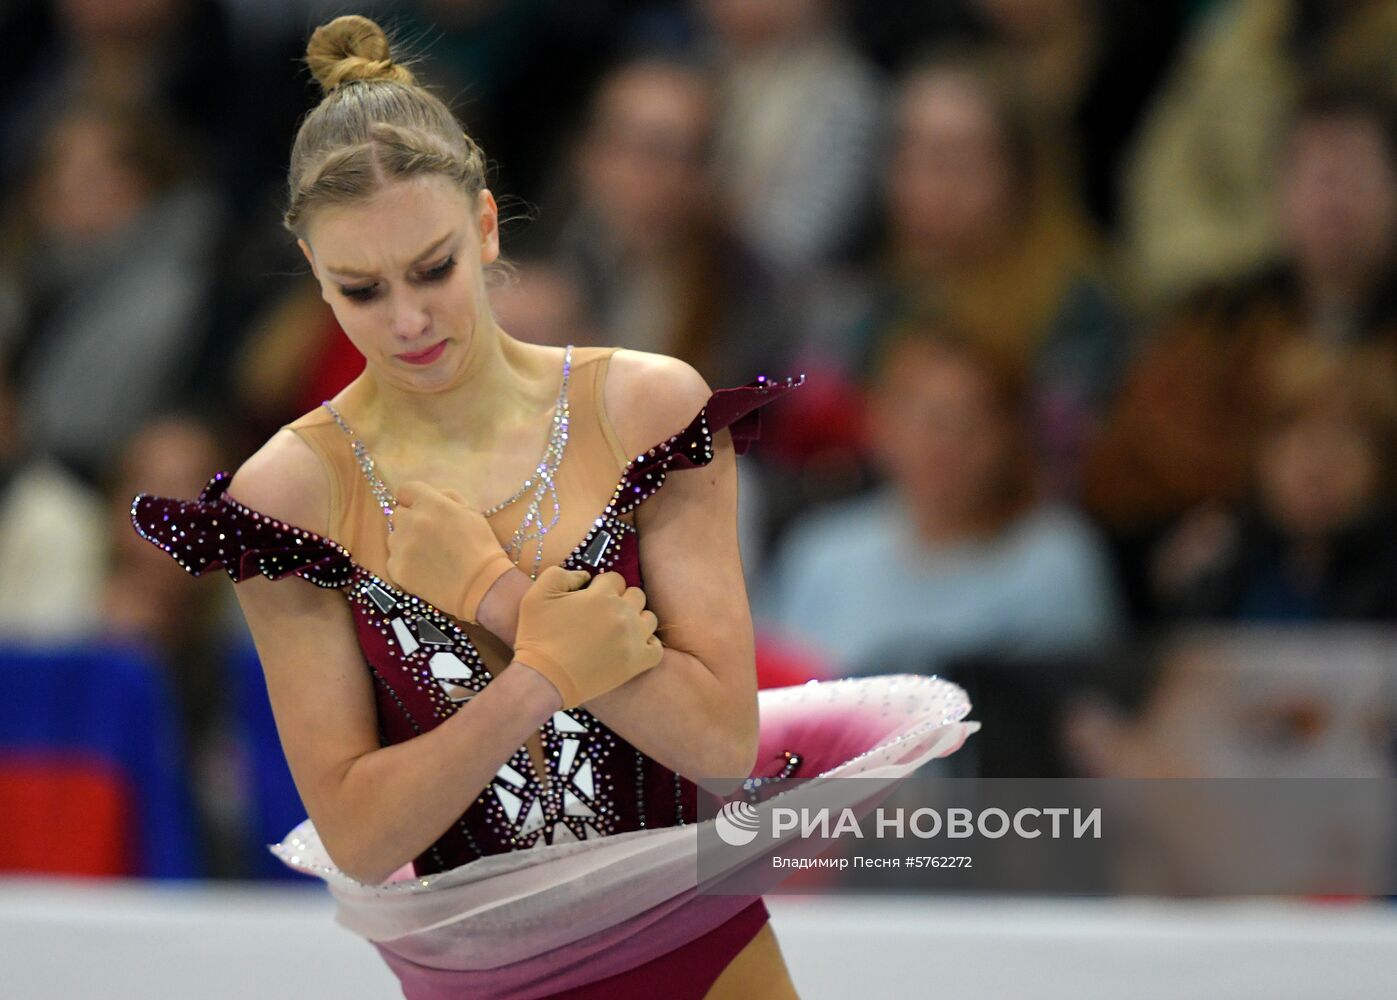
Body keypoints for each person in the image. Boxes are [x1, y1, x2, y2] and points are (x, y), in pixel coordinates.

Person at [127, 15, 976, 999]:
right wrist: (539, 673)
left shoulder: (645, 408)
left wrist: (493, 592)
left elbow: (716, 742)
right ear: (314, 274)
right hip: (482, 975)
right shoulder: (291, 495)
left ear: (487, 228)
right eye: (360, 289)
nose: (406, 320)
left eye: (434, 267)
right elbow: (360, 834)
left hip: (703, 957)